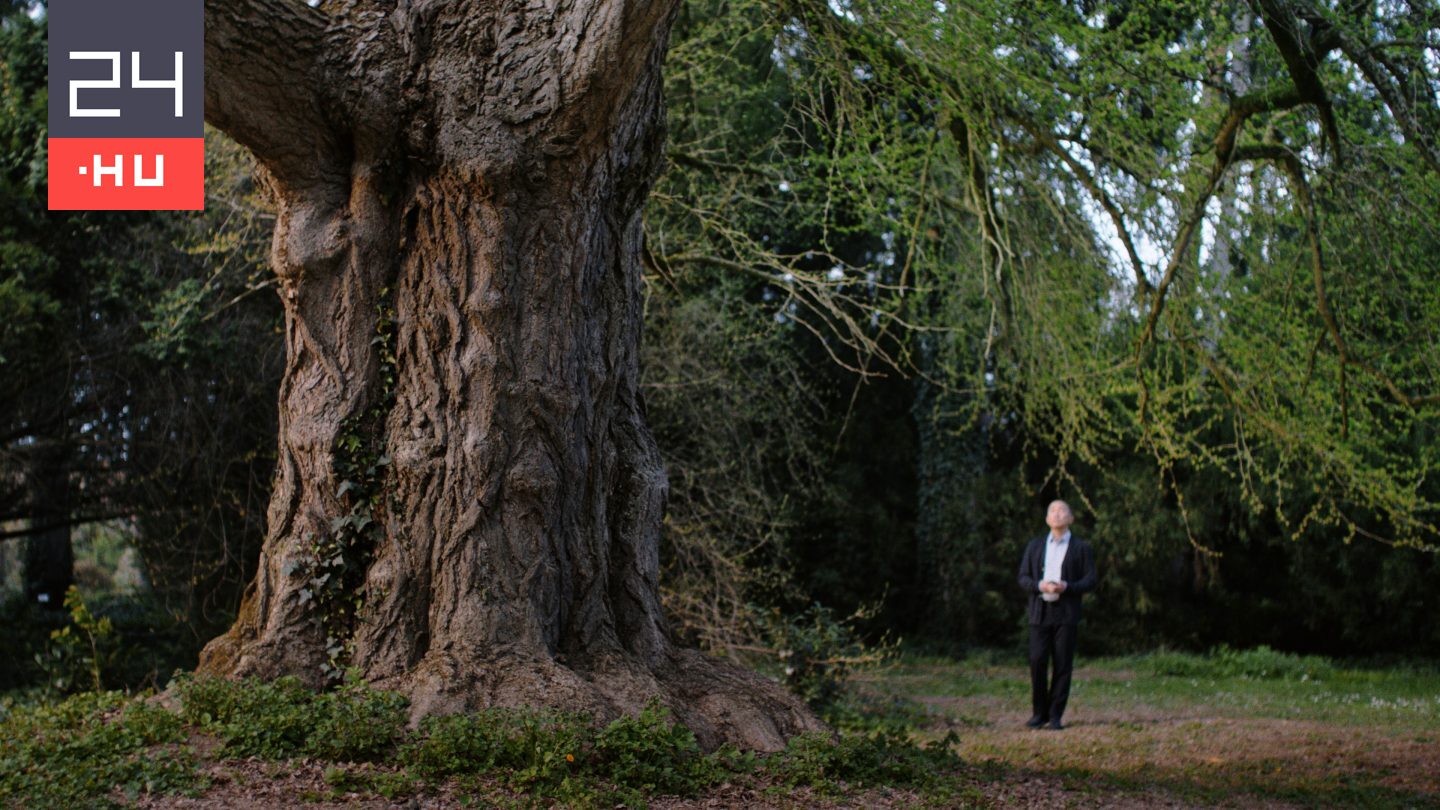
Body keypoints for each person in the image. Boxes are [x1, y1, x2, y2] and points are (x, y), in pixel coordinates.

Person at [1016, 499, 1097, 730]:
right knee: (1037, 661)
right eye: (1052, 510)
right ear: (1047, 518)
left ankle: (1055, 715)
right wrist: (1041, 586)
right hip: (1039, 611)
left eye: (1062, 510)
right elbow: (1023, 577)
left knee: (1063, 664)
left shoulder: (1081, 548)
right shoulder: (1035, 546)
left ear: (1071, 518)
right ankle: (1038, 713)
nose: (1057, 514)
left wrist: (1067, 587)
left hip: (1067, 612)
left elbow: (1091, 580)